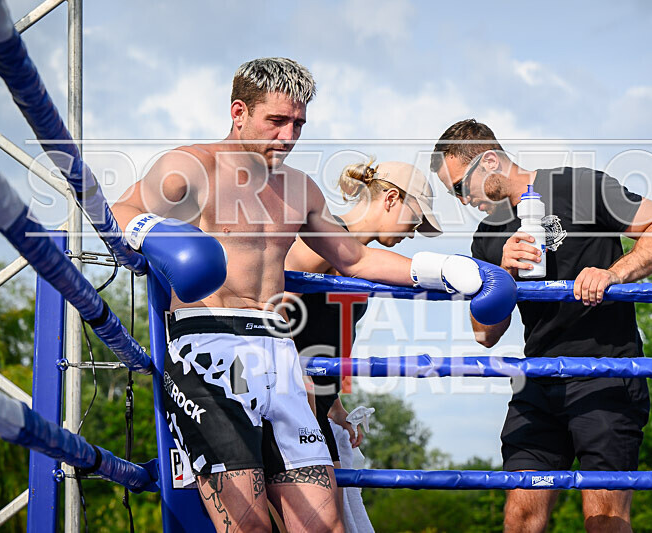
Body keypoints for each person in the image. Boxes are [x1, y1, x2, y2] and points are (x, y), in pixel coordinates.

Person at [112, 60, 515, 533]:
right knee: (248, 527)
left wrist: (446, 269)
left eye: (298, 123)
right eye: (276, 121)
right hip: (208, 351)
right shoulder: (191, 166)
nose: (288, 136)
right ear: (238, 111)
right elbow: (122, 208)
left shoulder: (299, 188)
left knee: (325, 527)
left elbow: (355, 260)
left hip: (279, 354)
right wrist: (154, 234)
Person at [431, 119, 652, 533]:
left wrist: (613, 274)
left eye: (461, 187)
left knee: (603, 520)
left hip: (606, 370)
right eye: (452, 193)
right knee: (520, 517)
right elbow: (484, 335)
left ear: (490, 161)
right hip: (538, 380)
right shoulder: (486, 238)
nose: (462, 200)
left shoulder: (579, 186)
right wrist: (501, 277)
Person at [285, 159, 441, 524]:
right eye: (415, 219)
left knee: (336, 522)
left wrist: (334, 403)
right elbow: (272, 308)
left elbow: (320, 334)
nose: (414, 232)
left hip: (315, 411)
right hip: (288, 407)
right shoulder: (323, 239)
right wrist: (296, 377)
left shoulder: (362, 264)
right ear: (390, 199)